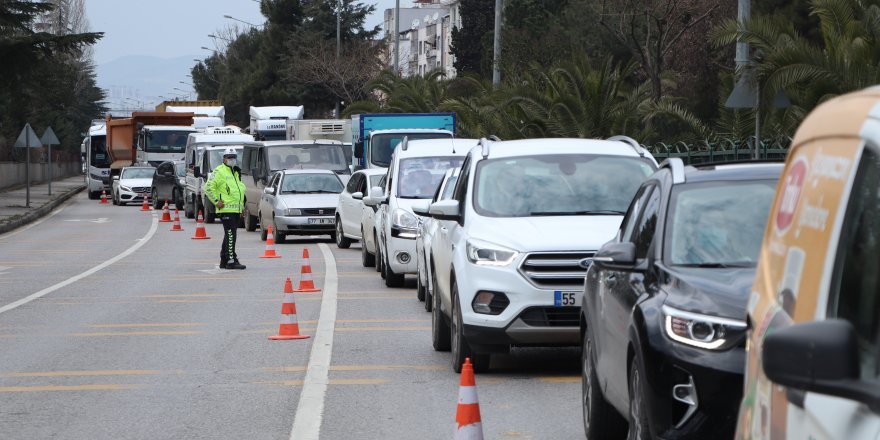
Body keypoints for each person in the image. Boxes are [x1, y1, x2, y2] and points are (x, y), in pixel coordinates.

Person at [205, 147, 247, 270]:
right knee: (230, 235)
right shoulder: (219, 171)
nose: (231, 159)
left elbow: (238, 192)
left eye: (233, 157)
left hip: (235, 210)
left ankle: (224, 259)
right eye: (229, 157)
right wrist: (216, 202)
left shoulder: (235, 172)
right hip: (226, 210)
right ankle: (231, 260)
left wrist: (241, 208)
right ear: (224, 159)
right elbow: (208, 188)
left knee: (229, 235)